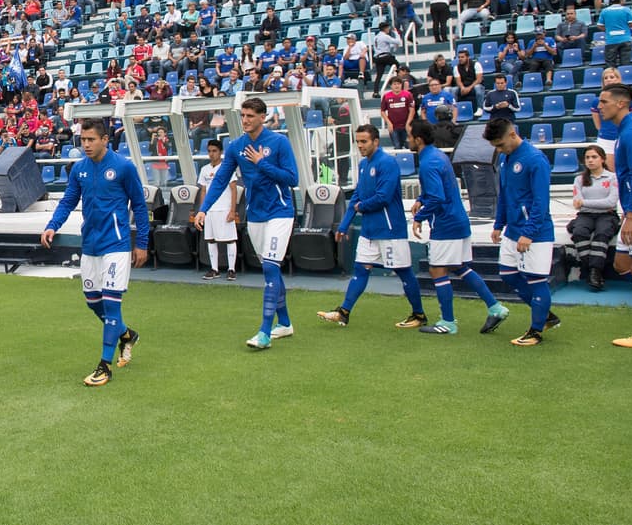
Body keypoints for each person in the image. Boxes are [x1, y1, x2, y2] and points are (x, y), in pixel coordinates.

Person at [41, 117, 149, 385]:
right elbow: (68, 200)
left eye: (91, 139)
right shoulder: (79, 169)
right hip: (90, 244)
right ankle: (127, 334)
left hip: (116, 244)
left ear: (105, 140)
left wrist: (142, 243)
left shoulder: (123, 167)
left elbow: (139, 206)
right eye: (82, 140)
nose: (85, 144)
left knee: (112, 305)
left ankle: (104, 366)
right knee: (93, 303)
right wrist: (53, 225)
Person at [194, 97, 300, 350]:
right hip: (256, 215)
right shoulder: (236, 146)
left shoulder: (279, 142)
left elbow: (292, 178)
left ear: (263, 117)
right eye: (243, 115)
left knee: (271, 268)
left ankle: (264, 332)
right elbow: (220, 180)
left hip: (280, 213)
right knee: (270, 269)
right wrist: (203, 210)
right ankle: (284, 323)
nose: (245, 120)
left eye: (250, 116)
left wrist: (261, 163)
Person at [318, 125, 429, 329]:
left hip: (389, 230)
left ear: (376, 141)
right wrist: (344, 225)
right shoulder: (362, 164)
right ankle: (344, 312)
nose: (360, 145)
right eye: (358, 141)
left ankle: (419, 314)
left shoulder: (387, 163)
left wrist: (361, 206)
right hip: (369, 231)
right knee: (360, 270)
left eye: (364, 141)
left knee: (404, 272)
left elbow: (383, 197)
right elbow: (357, 196)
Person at [408, 121, 511, 335]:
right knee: (461, 266)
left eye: (410, 136)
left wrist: (420, 216)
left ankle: (448, 322)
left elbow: (437, 196)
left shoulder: (428, 163)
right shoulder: (438, 156)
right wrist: (420, 198)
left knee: (437, 269)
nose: (407, 140)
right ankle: (495, 307)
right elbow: (441, 186)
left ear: (418, 139)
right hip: (458, 220)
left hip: (446, 225)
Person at [484, 118, 559, 346]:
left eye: (500, 144)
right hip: (512, 230)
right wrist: (499, 223)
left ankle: (536, 331)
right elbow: (505, 194)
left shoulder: (535, 159)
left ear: (512, 134)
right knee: (508, 274)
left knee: (536, 280)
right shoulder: (506, 159)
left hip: (535, 233)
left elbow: (541, 201)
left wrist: (530, 231)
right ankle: (546, 315)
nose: (498, 150)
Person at [597, 84, 632, 348]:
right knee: (622, 263)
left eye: (604, 101)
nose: (600, 106)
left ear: (621, 104)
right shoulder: (625, 132)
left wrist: (631, 215)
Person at [567, 144, 620, 292]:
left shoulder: (612, 177)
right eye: (587, 157)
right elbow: (578, 206)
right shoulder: (579, 179)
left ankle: (594, 272)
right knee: (578, 232)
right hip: (585, 215)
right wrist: (587, 205)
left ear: (603, 159)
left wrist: (585, 202)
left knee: (602, 233)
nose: (590, 160)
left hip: (607, 215)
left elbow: (611, 203)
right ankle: (593, 270)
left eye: (594, 157)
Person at [195, 139, 239, 281]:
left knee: (230, 240)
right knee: (211, 240)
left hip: (224, 209)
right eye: (209, 151)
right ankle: (215, 269)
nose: (211, 154)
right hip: (210, 211)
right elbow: (203, 191)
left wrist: (232, 210)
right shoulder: (204, 170)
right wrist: (203, 210)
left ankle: (231, 269)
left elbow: (233, 189)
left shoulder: (227, 168)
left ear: (221, 152)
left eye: (214, 151)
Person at [599, 0, 632, 67]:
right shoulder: (626, 9)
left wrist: (608, 30)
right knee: (626, 64)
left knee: (610, 65)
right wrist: (625, 27)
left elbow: (600, 25)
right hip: (625, 38)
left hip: (611, 40)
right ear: (621, 1)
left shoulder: (604, 11)